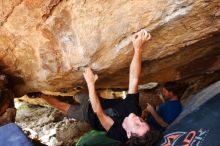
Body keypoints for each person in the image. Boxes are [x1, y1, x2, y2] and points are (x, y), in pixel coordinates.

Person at [32, 30, 160, 145]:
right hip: (96, 100)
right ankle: (73, 94)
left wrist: (91, 83)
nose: (139, 119)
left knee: (63, 107)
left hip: (88, 114)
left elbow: (98, 111)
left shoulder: (118, 132)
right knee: (77, 95)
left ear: (128, 134)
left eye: (137, 125)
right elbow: (134, 79)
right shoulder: (134, 111)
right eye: (143, 122)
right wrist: (138, 49)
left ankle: (41, 95)